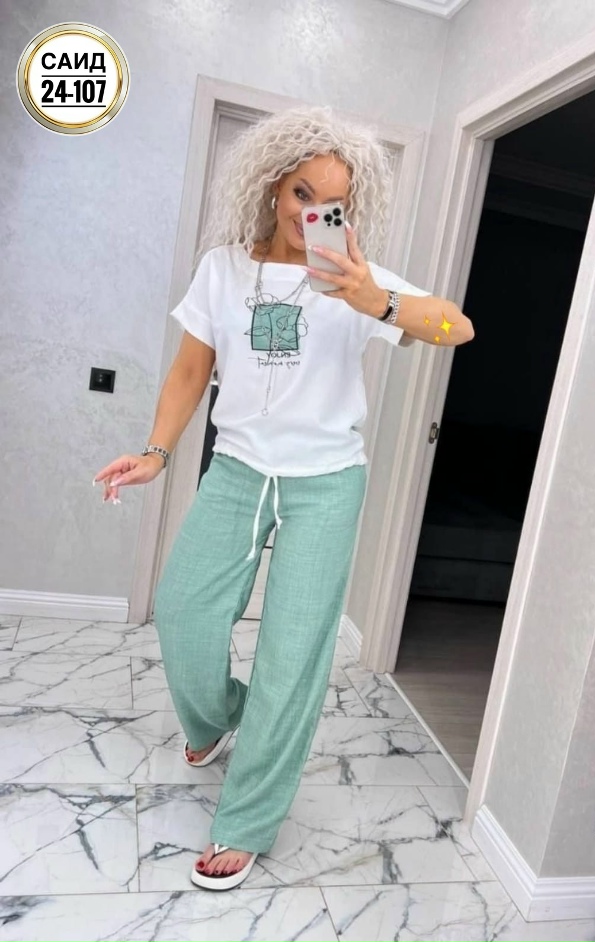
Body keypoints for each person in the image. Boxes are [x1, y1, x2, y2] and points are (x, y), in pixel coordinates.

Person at [93, 106, 474, 892]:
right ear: (273, 186)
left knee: (291, 655)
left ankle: (246, 820)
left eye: (332, 203)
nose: (311, 215)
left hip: (326, 484)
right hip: (237, 470)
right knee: (184, 611)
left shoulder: (356, 279)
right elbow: (191, 371)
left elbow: (457, 327)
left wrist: (377, 302)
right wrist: (157, 453)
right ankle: (217, 719)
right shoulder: (222, 270)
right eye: (302, 193)